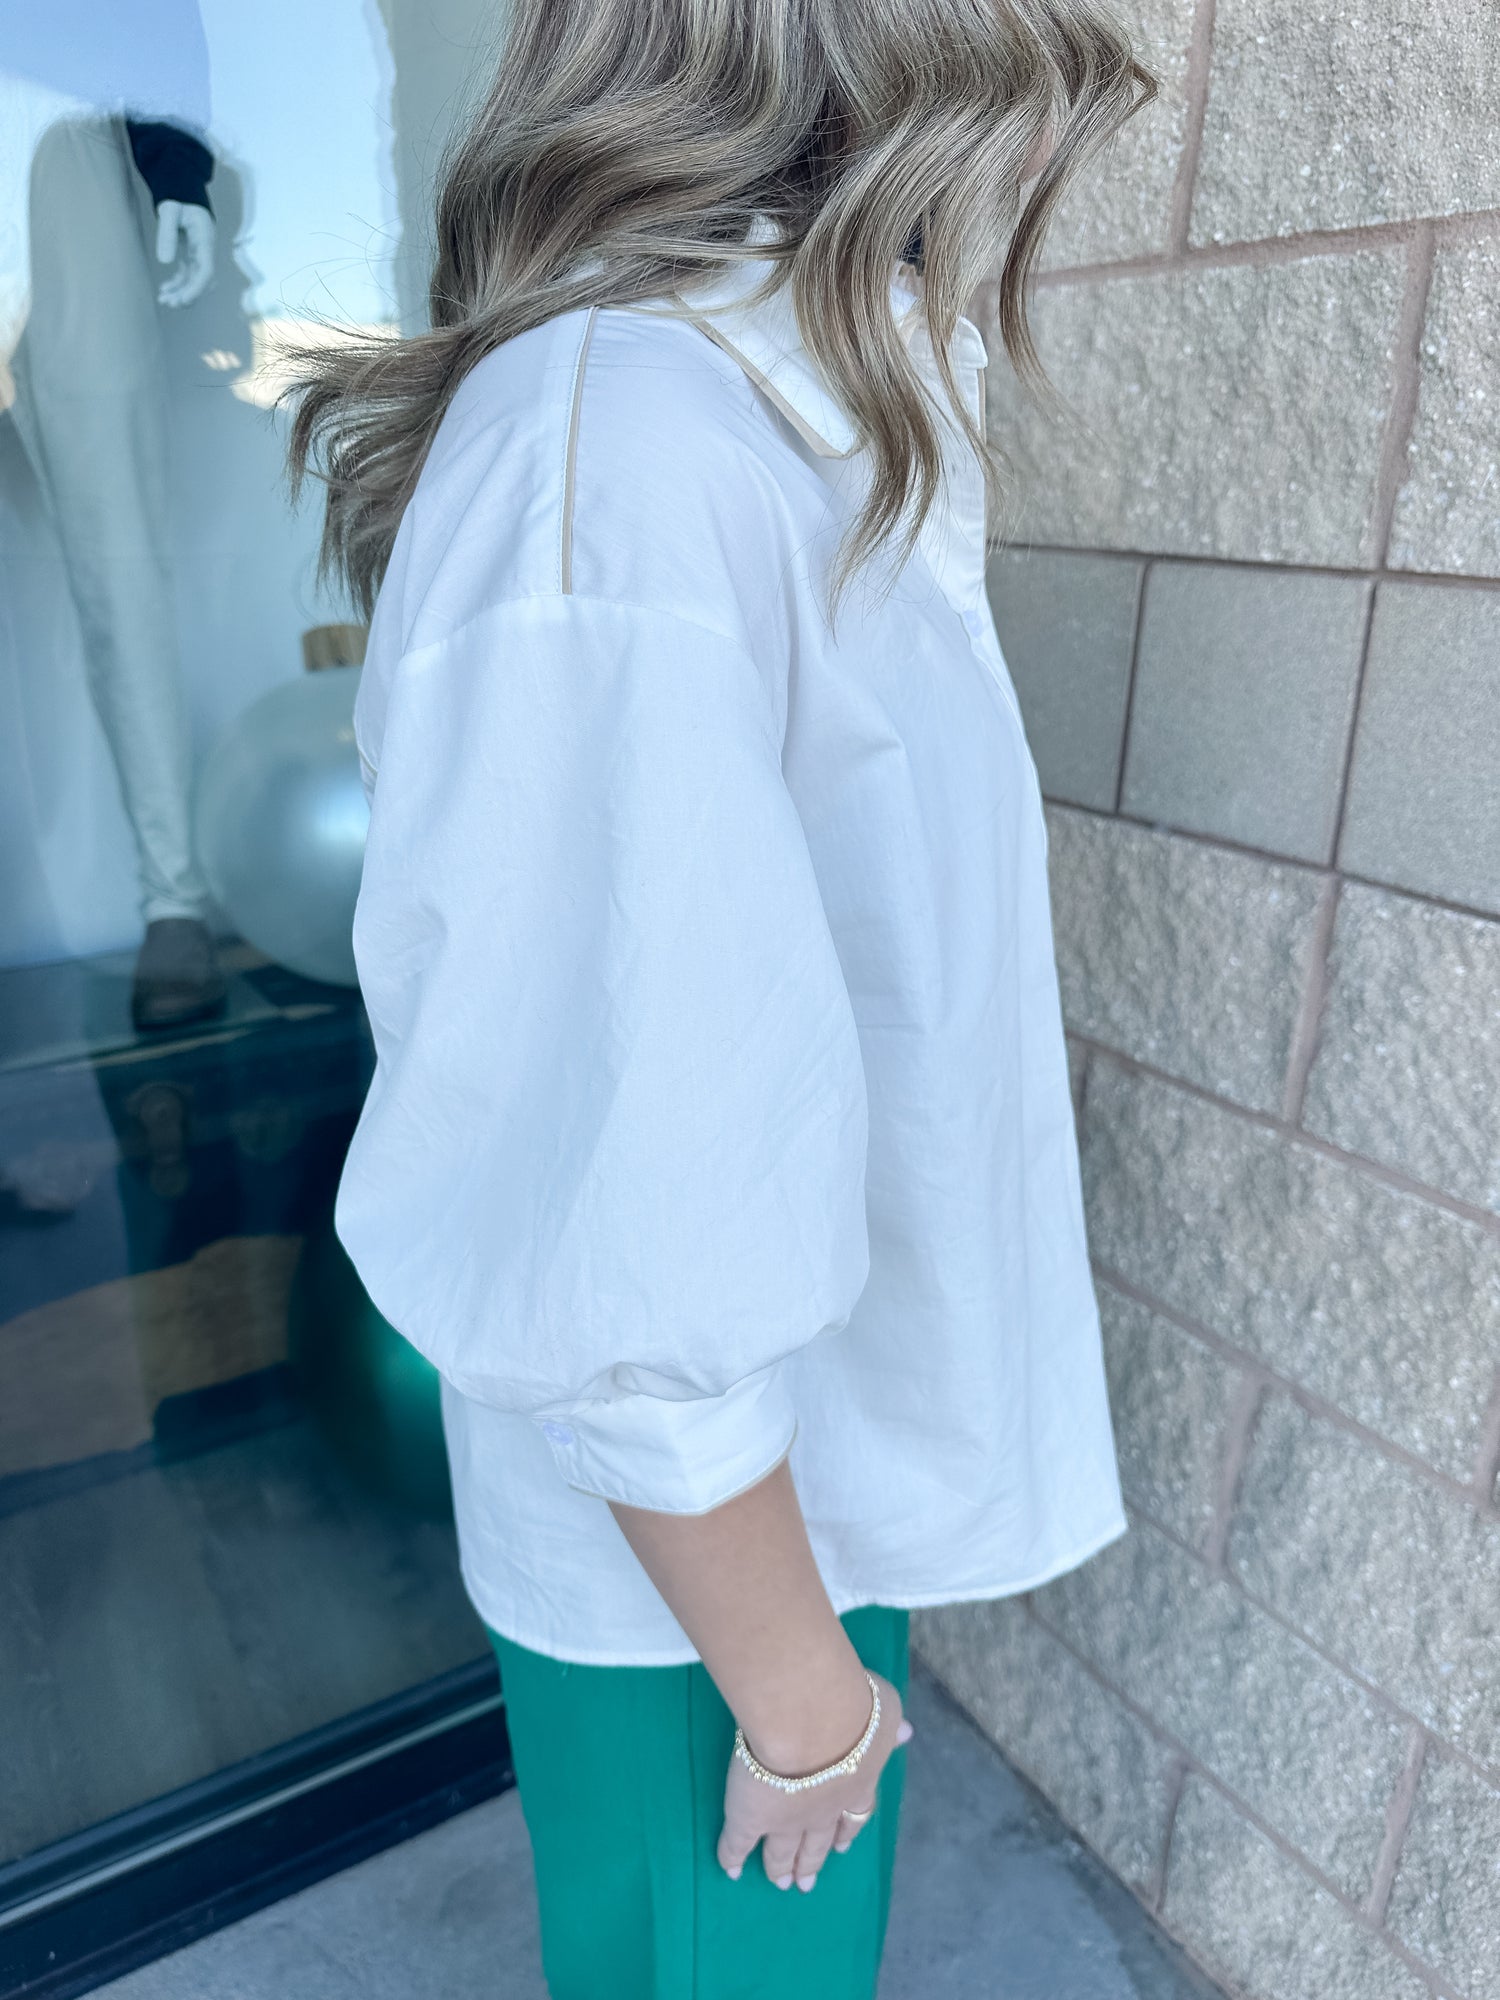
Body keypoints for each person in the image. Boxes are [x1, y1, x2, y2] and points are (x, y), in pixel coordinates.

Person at [285, 4, 1154, 1994]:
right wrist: (799, 1692)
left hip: (772, 1529)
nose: (1049, 137)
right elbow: (614, 1193)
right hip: (710, 1584)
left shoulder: (747, 421)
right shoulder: (632, 450)